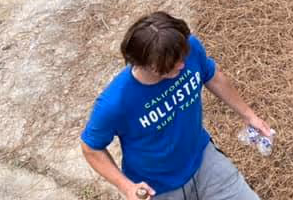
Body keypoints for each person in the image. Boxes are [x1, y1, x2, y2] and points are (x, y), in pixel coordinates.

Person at [80, 12, 272, 199]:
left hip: (203, 160)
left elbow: (211, 75)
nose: (181, 65)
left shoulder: (188, 50)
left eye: (183, 58)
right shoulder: (115, 102)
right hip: (158, 188)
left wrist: (248, 115)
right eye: (172, 64)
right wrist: (127, 187)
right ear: (145, 64)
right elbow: (91, 147)